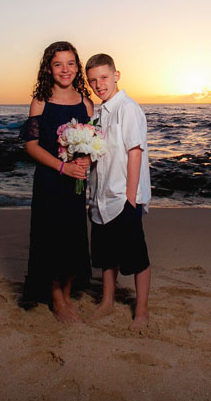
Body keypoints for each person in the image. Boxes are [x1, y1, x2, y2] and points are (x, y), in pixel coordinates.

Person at [20, 41, 94, 322]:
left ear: (77, 65)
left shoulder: (86, 102)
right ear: (48, 69)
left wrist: (86, 160)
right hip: (51, 178)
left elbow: (90, 141)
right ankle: (56, 297)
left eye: (71, 63)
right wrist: (63, 168)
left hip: (76, 180)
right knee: (50, 236)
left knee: (74, 235)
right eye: (58, 64)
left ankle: (67, 289)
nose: (66, 69)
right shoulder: (41, 101)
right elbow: (32, 146)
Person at [84, 53, 152, 330]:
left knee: (136, 256)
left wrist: (130, 197)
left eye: (103, 77)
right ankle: (107, 300)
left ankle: (142, 311)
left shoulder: (128, 108)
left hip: (124, 196)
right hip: (102, 194)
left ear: (116, 75)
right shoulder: (99, 113)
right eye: (92, 80)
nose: (98, 84)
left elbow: (134, 153)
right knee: (105, 254)